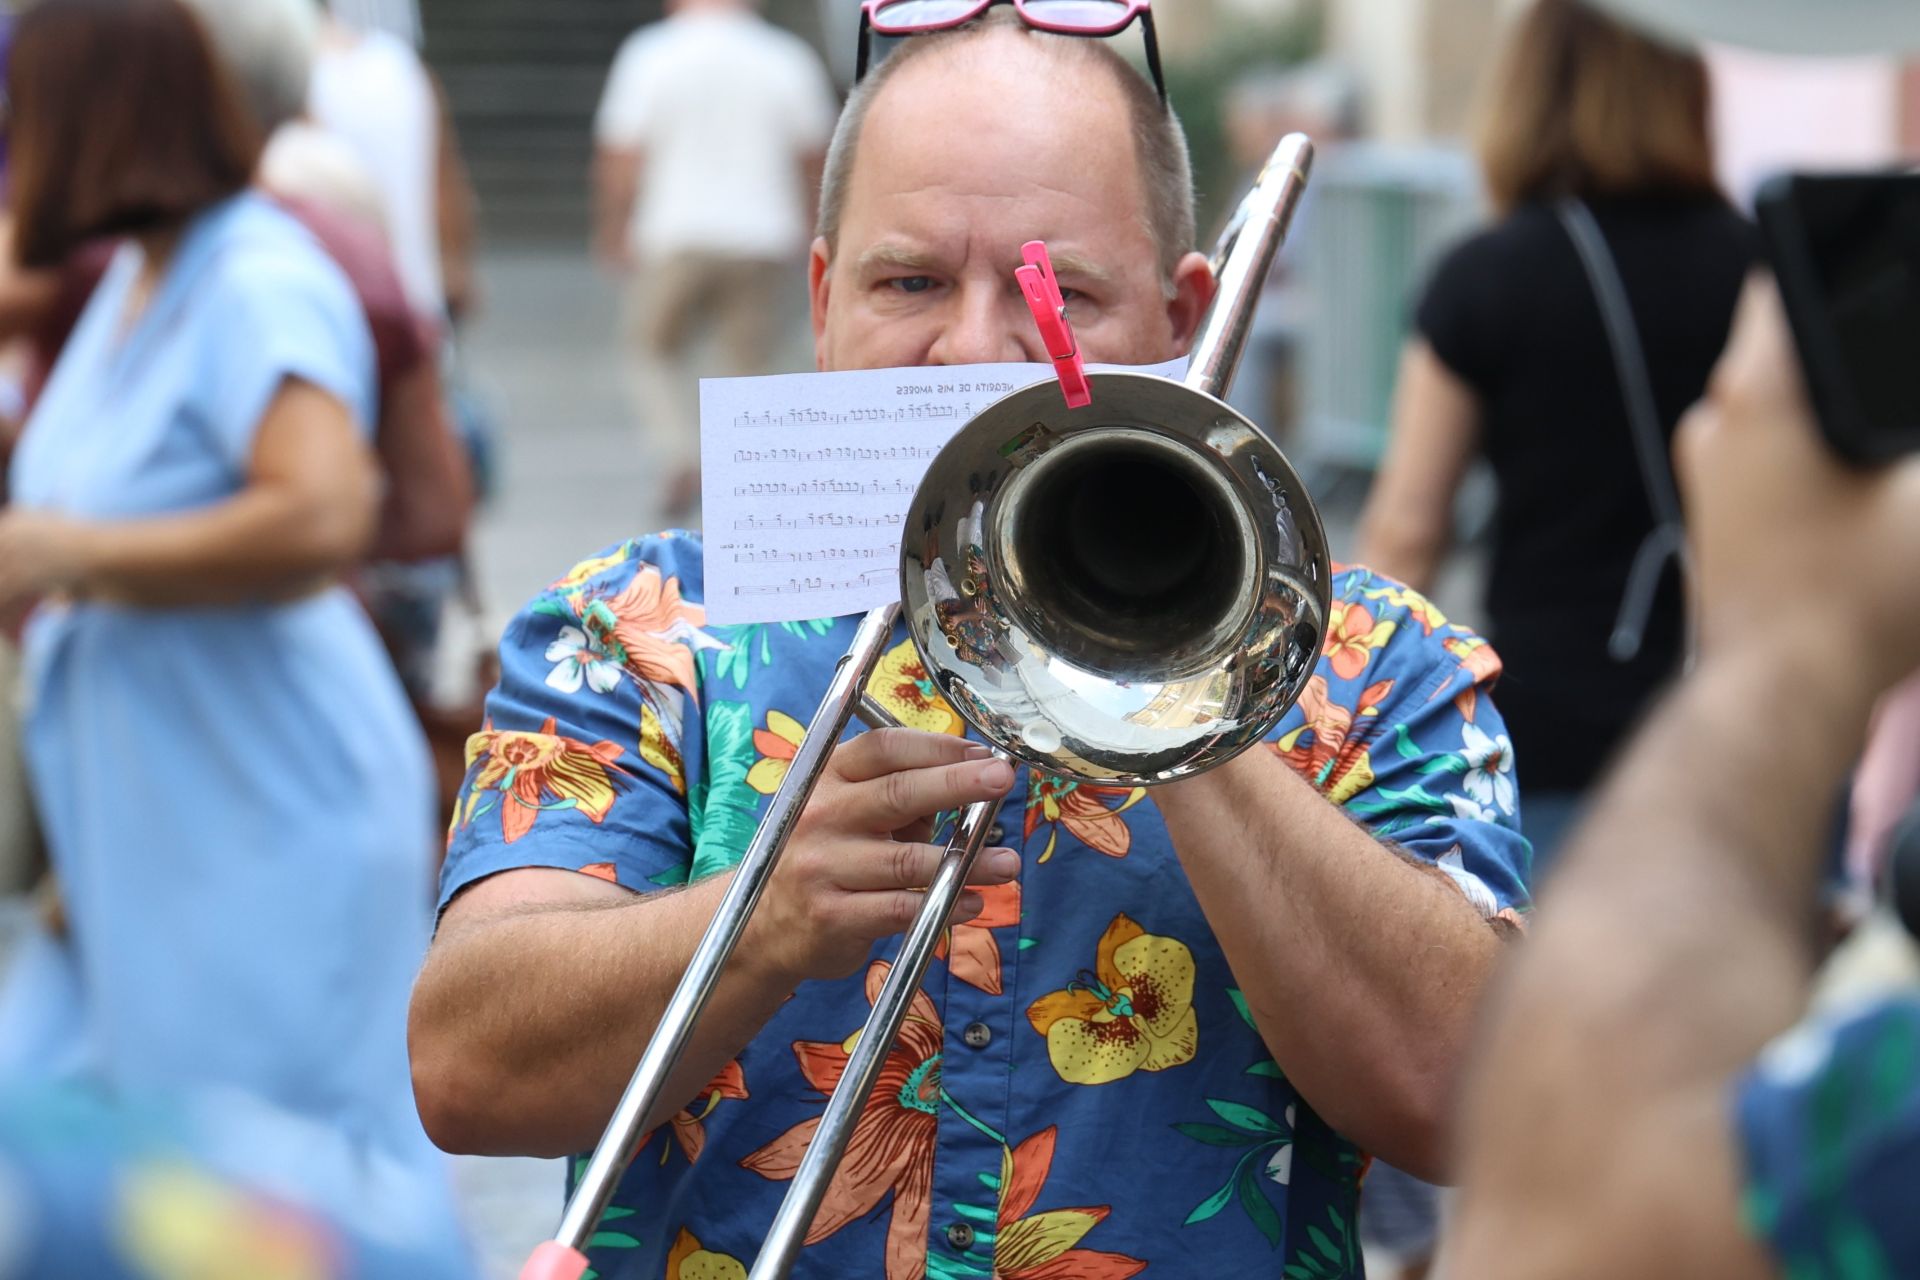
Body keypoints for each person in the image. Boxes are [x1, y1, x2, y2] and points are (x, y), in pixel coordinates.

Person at [410, 11, 1531, 1279]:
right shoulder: (632, 632)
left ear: (1184, 315)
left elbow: (1477, 1099)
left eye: (1064, 293)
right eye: (912, 284)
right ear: (824, 302)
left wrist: (1173, 674)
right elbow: (466, 1065)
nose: (978, 347)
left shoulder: (1376, 661)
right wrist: (759, 920)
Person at [0, 0, 465, 1269]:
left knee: (277, 1186)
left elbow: (323, 510)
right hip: (165, 823)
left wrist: (62, 553)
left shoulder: (255, 272)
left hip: (263, 811)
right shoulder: (148, 277)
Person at [1438, 277, 1920, 1277]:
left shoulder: (1489, 282)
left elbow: (1562, 1230)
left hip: (1607, 762)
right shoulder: (1717, 250)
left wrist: (1791, 645)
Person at [1353, 0, 1757, 869]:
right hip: (1739, 720)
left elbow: (1407, 531)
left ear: (1528, 91)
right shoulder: (1763, 267)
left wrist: (1345, 731)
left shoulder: (1486, 278)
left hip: (1556, 725)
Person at [592, 0, 839, 519]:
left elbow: (621, 152)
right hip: (761, 235)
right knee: (745, 366)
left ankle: (678, 453)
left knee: (650, 350)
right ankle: (741, 471)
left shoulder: (651, 53)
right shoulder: (785, 56)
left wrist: (613, 226)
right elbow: (818, 154)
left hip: (674, 230)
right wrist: (816, 225)